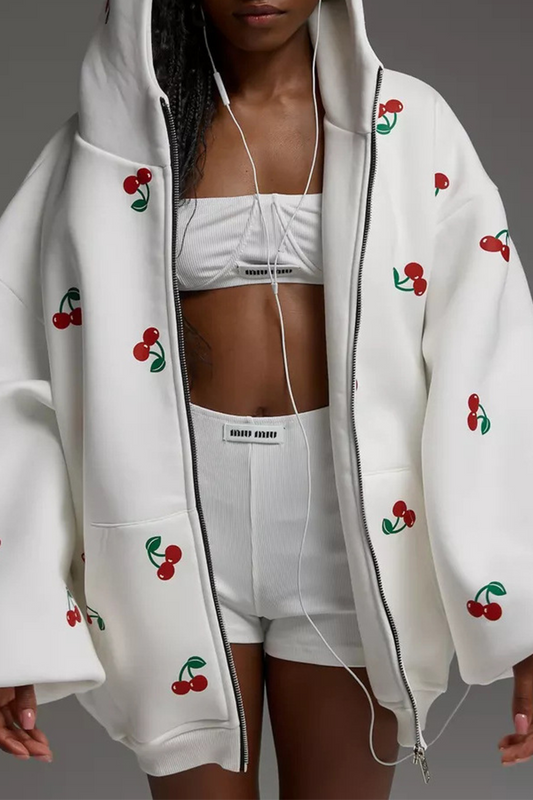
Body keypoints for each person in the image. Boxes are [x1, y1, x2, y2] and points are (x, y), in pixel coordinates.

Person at [0, 0, 532, 797]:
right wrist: (17, 622)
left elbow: (488, 363)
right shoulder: (114, 142)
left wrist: (522, 612)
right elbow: (20, 373)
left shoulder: (407, 124)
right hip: (169, 534)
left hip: (352, 536)